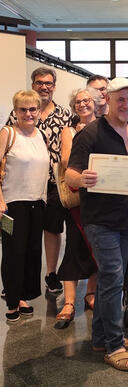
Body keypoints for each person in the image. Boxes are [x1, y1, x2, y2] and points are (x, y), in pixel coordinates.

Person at [66, 77, 128, 371]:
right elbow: (70, 175)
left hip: (124, 219)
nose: (126, 105)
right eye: (120, 100)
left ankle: (101, 337)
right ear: (107, 100)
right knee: (113, 276)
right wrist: (82, 178)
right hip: (99, 219)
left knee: (111, 278)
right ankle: (114, 344)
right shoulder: (91, 133)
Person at [6, 67, 75, 295]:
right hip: (22, 185)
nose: (44, 86)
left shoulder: (65, 115)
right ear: (33, 85)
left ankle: (50, 273)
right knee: (18, 240)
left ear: (54, 86)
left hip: (54, 184)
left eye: (48, 83)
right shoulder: (16, 117)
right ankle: (15, 285)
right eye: (39, 82)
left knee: (50, 230)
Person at [0, 90, 50, 322]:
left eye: (33, 109)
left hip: (37, 202)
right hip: (12, 204)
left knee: (32, 252)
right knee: (13, 253)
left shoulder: (41, 135)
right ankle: (12, 301)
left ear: (39, 111)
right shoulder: (8, 133)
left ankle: (24, 296)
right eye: (23, 109)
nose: (28, 114)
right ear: (16, 111)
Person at [54, 88, 100, 329]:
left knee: (96, 247)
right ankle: (69, 302)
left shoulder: (104, 127)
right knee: (74, 246)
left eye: (87, 100)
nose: (83, 104)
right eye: (79, 101)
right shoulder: (69, 131)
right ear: (74, 106)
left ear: (96, 103)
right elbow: (66, 160)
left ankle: (90, 294)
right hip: (77, 198)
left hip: (100, 197)